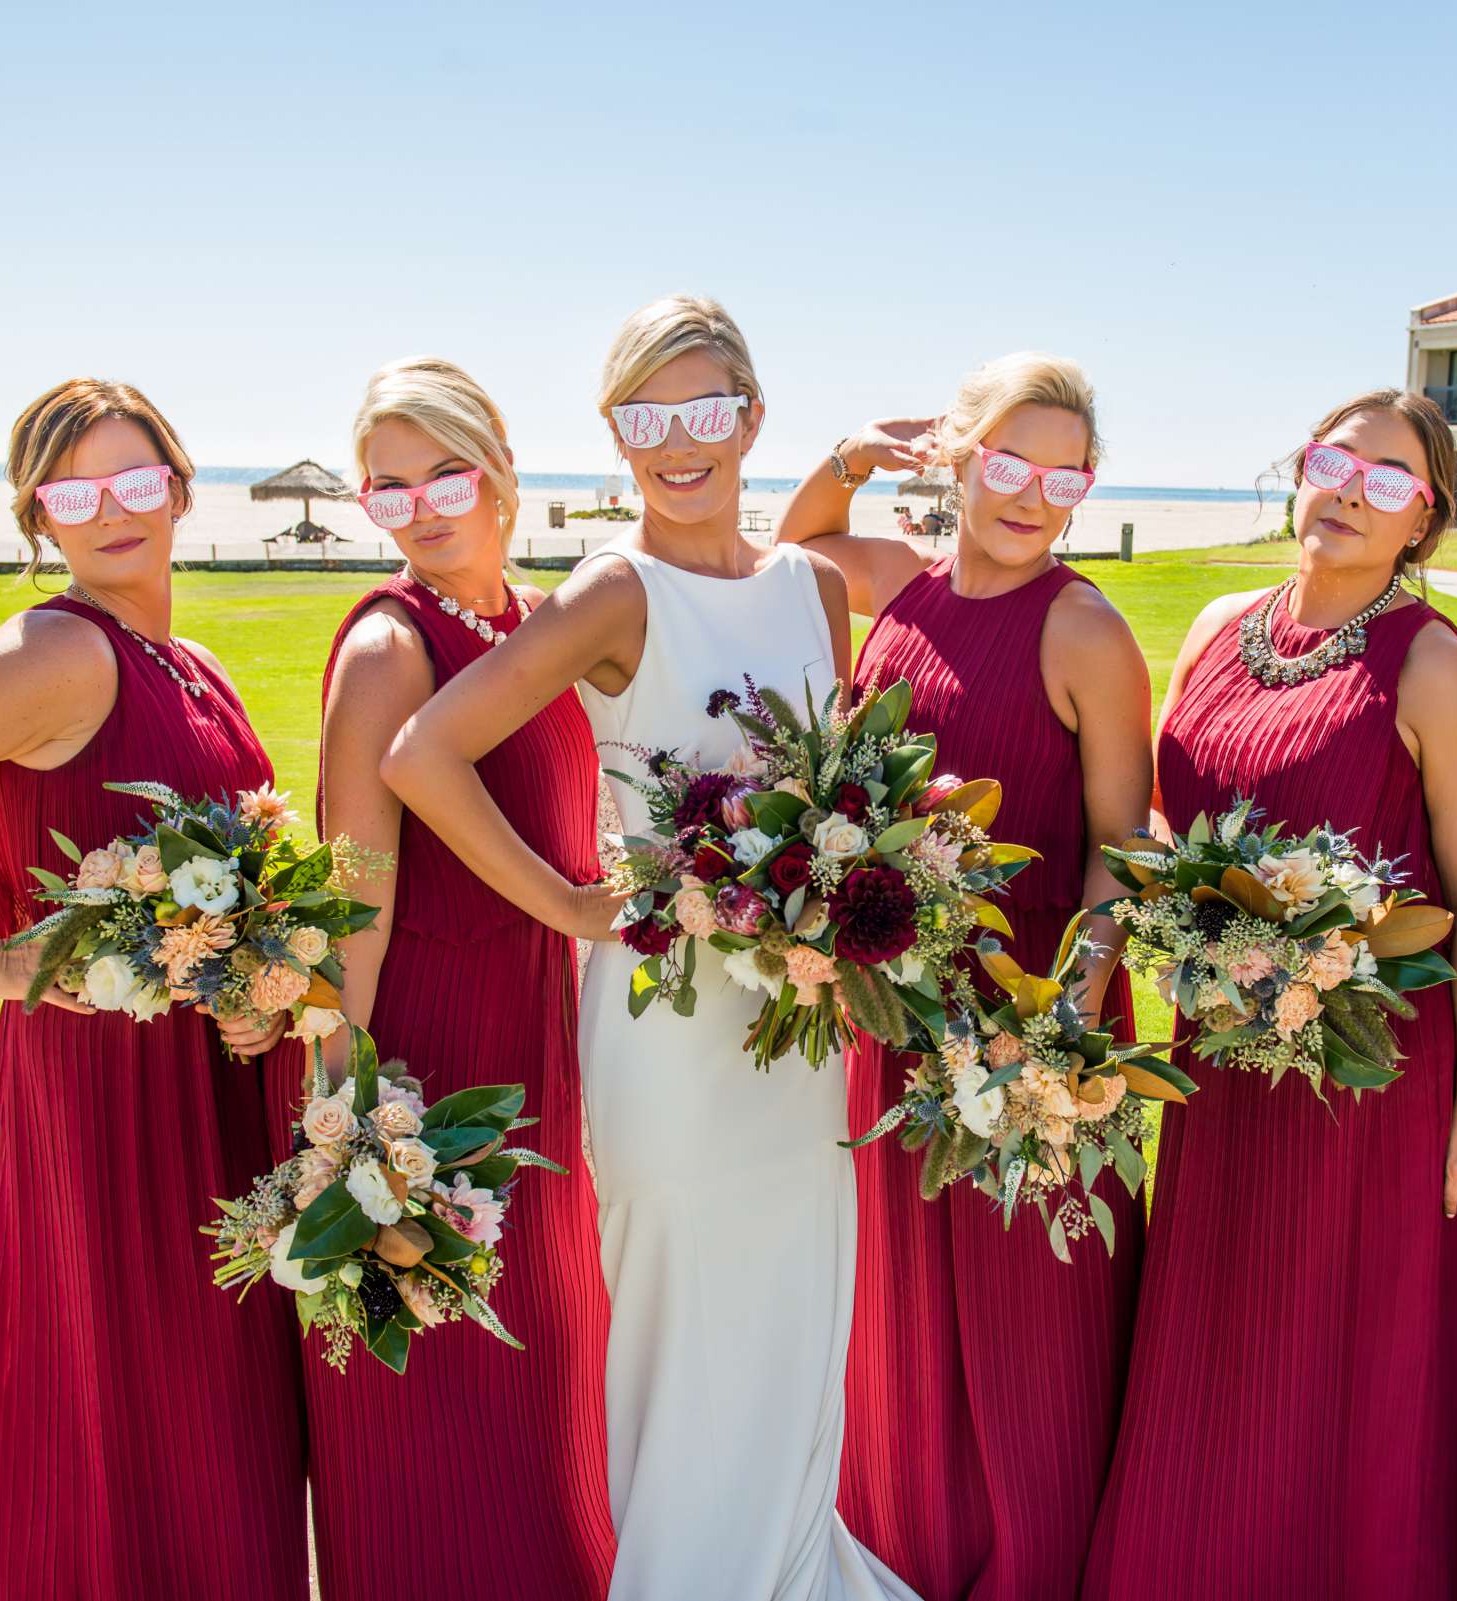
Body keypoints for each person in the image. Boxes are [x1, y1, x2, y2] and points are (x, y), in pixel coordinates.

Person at [379, 294, 919, 1601]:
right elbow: (420, 754)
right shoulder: (613, 590)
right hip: (667, 1027)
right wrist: (571, 905)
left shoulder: (812, 586)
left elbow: (830, 775)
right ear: (616, 434)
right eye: (646, 418)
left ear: (753, 418)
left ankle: (789, 1565)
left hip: (797, 1030)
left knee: (792, 1314)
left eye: (706, 412)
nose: (679, 445)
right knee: (684, 1331)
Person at [0, 379, 306, 1600]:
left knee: (214, 1408)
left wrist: (265, 993)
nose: (112, 511)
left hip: (210, 1080)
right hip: (108, 1097)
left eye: (135, 480)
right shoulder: (57, 651)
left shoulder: (189, 662)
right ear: (40, 516)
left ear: (181, 487)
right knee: (134, 1402)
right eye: (73, 492)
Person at [1083, 389, 1457, 1600]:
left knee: (1341, 1366)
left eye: (1389, 480)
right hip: (1221, 1062)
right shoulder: (1221, 624)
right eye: (1335, 460)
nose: (1347, 490)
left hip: (1379, 1083)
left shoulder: (1428, 660)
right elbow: (1168, 829)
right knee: (1215, 1342)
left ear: (1423, 521)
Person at [776, 354, 1151, 1600]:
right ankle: (911, 1559)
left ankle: (1045, 1566)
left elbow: (1120, 851)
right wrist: (852, 453)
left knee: (1035, 1313)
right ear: (961, 458)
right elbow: (795, 552)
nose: (1032, 494)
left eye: (1064, 475)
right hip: (897, 1000)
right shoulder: (892, 583)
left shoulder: (1084, 628)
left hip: (1030, 1003)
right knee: (903, 1307)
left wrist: (1059, 1038)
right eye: (1006, 460)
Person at [299, 356, 614, 1598]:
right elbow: (351, 899)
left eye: (446, 475)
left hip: (539, 1024)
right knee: (442, 1367)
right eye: (390, 488)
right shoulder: (388, 648)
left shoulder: (540, 617)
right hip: (433, 1047)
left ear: (504, 476)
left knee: (541, 1358)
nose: (424, 507)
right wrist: (345, 1115)